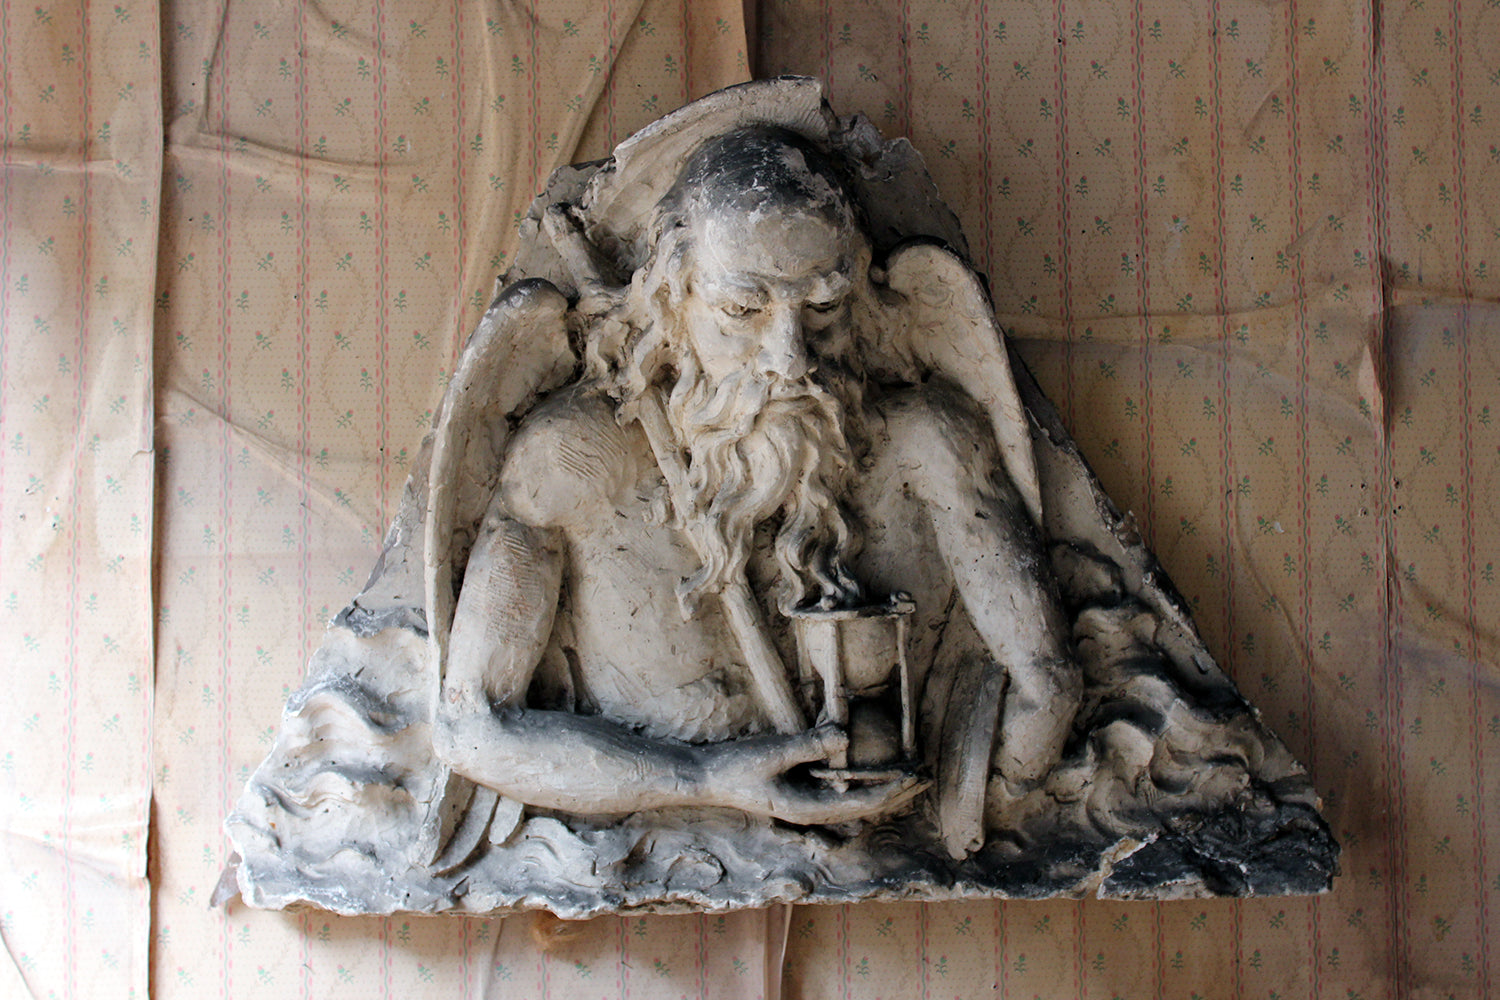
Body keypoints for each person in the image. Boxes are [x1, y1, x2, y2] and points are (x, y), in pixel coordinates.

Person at [431, 126, 1079, 853]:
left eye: (824, 307)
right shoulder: (573, 459)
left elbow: (1047, 687)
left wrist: (992, 794)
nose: (791, 358)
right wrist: (701, 780)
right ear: (671, 299)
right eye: (743, 310)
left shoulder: (929, 447)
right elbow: (470, 731)